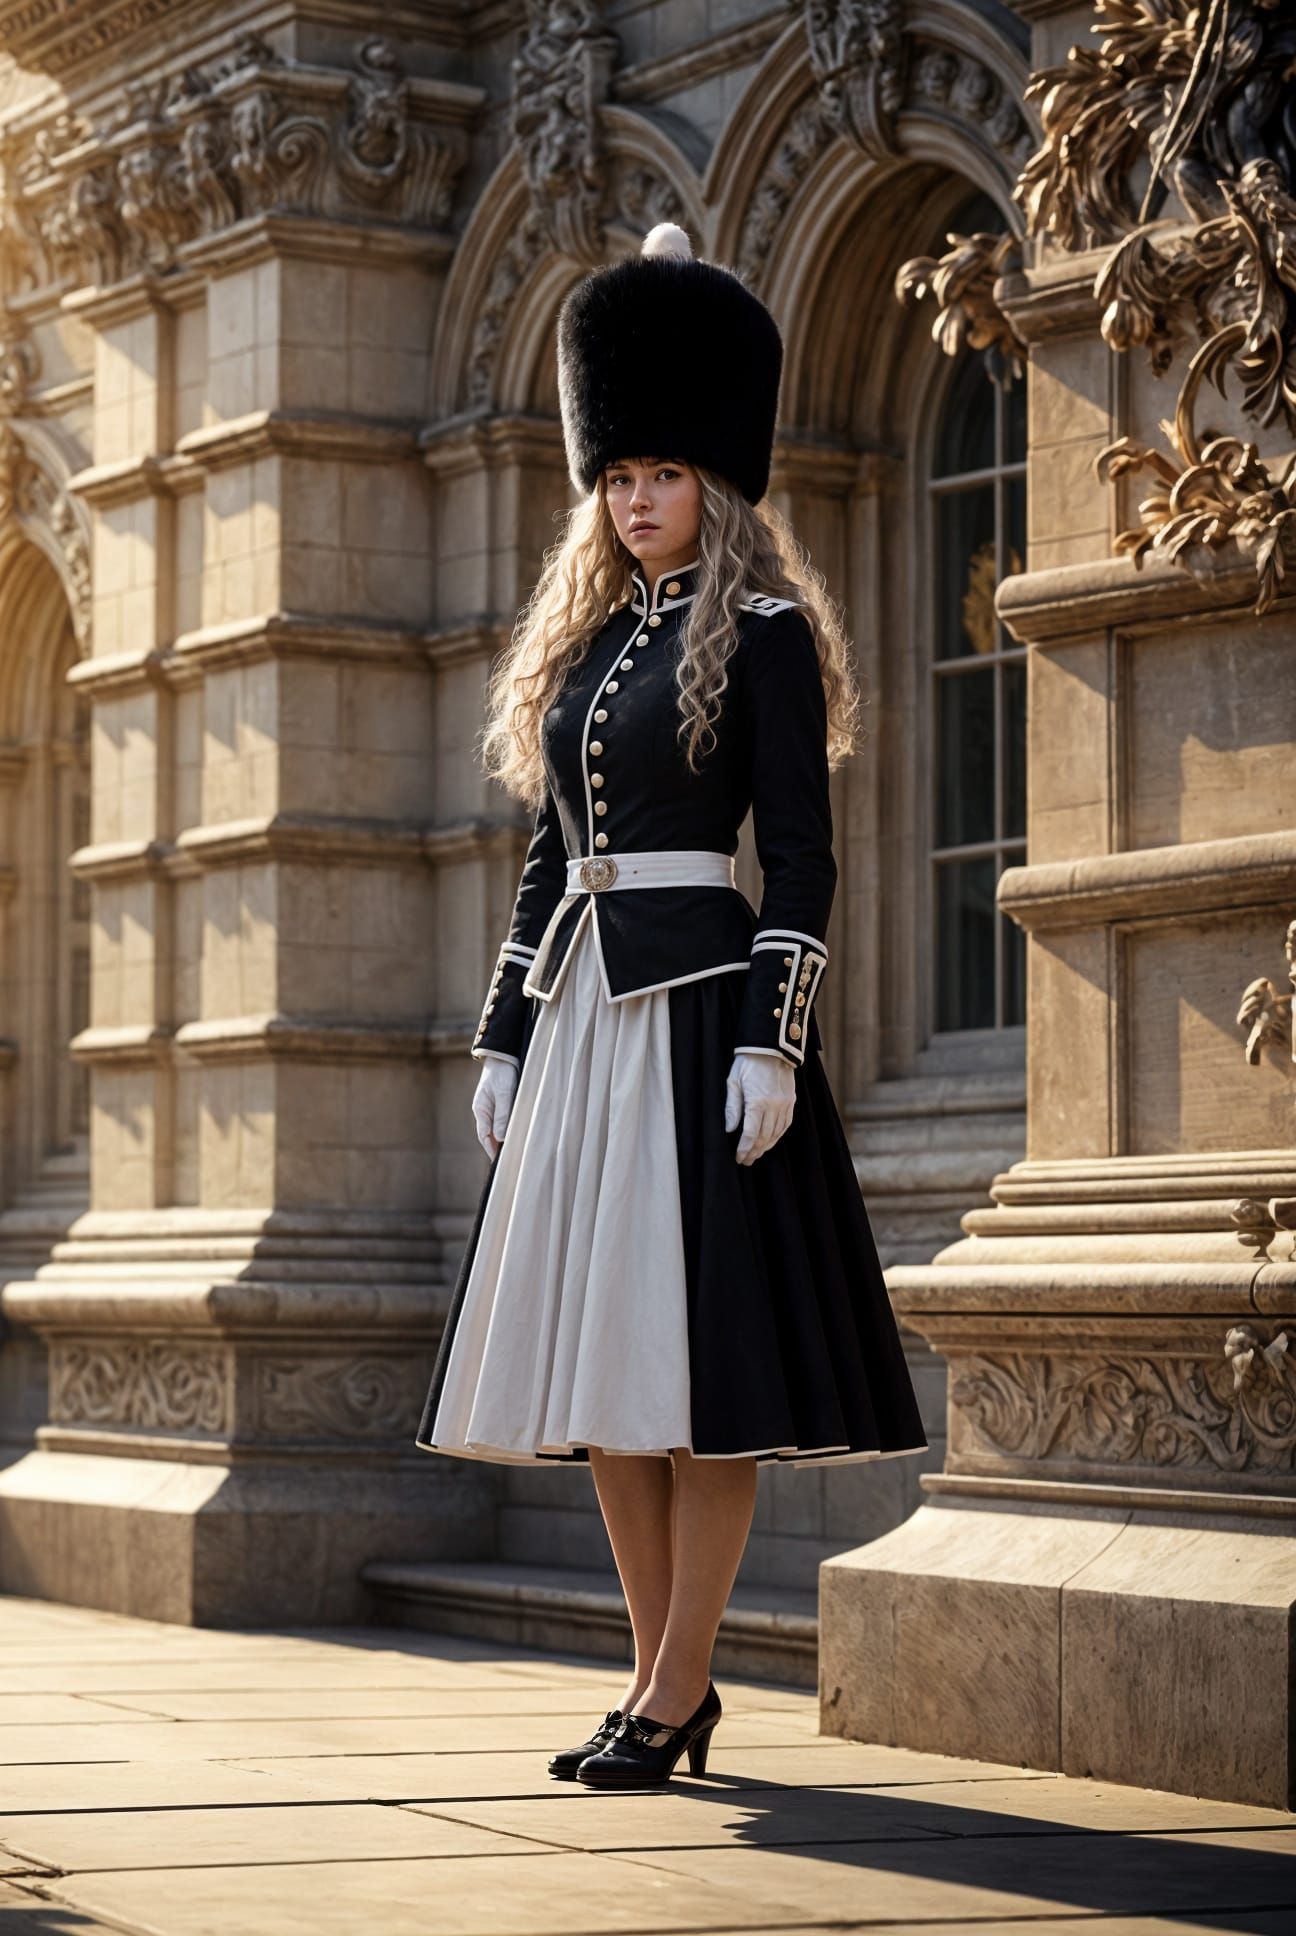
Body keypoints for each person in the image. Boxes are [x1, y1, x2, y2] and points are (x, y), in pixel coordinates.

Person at [416, 222, 926, 1789]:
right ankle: (657, 1684)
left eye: (666, 473)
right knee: (610, 1389)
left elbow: (806, 859)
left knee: (704, 1384)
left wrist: (776, 1040)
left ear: (717, 479)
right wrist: (504, 1035)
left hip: (703, 1019)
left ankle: (677, 1683)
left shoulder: (765, 639)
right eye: (620, 475)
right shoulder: (582, 649)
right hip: (585, 1021)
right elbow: (546, 859)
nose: (638, 498)